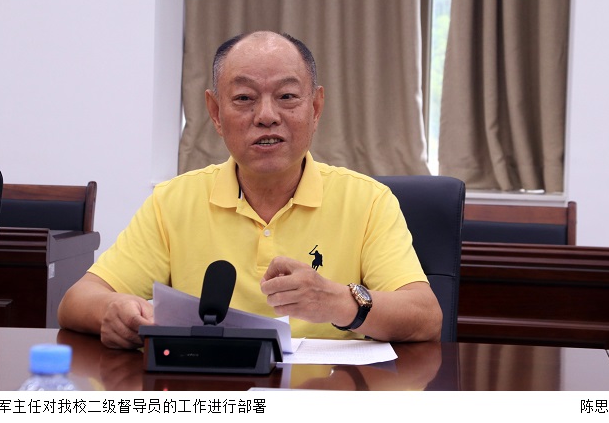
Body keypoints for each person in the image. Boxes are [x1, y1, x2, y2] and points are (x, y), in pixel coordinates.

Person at [58, 31, 442, 349]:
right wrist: (114, 310)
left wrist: (340, 302)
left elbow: (425, 317)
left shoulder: (368, 201)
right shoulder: (173, 202)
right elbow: (77, 301)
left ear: (315, 107)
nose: (266, 116)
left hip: (325, 394)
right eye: (244, 98)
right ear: (215, 113)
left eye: (287, 97)